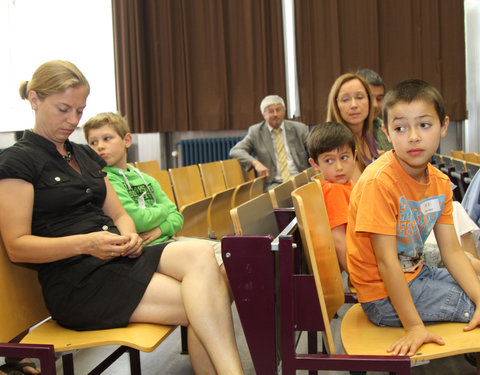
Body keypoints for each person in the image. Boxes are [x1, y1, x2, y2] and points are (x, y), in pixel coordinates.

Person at [0, 60, 244, 375]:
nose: (73, 120)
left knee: (200, 256)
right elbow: (17, 246)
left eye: (79, 110)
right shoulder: (17, 161)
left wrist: (129, 233)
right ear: (34, 100)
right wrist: (86, 244)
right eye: (63, 109)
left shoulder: (84, 154)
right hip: (79, 282)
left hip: (116, 259)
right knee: (209, 303)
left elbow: (117, 212)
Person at [346, 78, 480, 359]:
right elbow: (386, 261)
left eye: (424, 125)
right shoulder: (379, 183)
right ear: (387, 132)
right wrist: (414, 327)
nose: (414, 136)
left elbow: (452, 252)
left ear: (443, 126)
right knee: (468, 300)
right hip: (382, 297)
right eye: (400, 128)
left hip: (418, 275)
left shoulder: (441, 183)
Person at [82, 112, 225, 268]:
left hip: (165, 238)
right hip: (147, 249)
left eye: (107, 138)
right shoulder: (106, 179)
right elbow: (138, 221)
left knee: (232, 252)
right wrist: (164, 210)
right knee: (215, 263)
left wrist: (159, 229)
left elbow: (177, 216)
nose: (100, 146)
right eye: (93, 142)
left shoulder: (145, 178)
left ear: (127, 140)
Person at [229, 95, 309, 191]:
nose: (275, 114)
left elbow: (314, 147)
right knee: (275, 197)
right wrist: (255, 163)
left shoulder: (299, 128)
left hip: (300, 179)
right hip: (274, 184)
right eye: (271, 111)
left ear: (284, 112)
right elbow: (236, 150)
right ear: (264, 115)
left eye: (278, 110)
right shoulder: (256, 132)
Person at [307, 121, 356, 271]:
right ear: (315, 164)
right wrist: (358, 279)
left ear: (354, 156)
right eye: (329, 160)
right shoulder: (334, 191)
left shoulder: (347, 185)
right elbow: (339, 241)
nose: (339, 167)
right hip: (356, 270)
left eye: (344, 157)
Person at [326, 73, 380, 181]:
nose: (354, 105)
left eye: (359, 97)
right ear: (336, 106)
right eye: (345, 100)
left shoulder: (367, 134)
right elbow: (358, 189)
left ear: (369, 101)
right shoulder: (337, 144)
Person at [356, 68, 393, 152]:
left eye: (379, 99)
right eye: (369, 98)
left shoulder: (387, 129)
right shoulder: (340, 133)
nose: (375, 105)